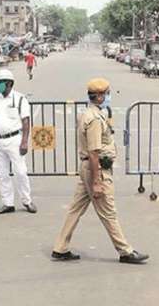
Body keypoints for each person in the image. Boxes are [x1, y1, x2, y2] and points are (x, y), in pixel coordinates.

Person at [52, 78, 148, 264]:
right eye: (107, 93)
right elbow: (94, 152)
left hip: (88, 168)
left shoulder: (88, 113)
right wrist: (97, 181)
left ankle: (60, 247)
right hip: (96, 169)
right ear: (99, 96)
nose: (108, 96)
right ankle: (125, 251)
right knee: (108, 211)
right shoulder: (94, 119)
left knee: (75, 209)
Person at [0, 69, 37, 215]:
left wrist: (25, 141)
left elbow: (26, 121)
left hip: (14, 140)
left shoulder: (20, 99)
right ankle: (8, 203)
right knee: (2, 174)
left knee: (20, 172)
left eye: (1, 82)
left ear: (9, 83)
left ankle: (27, 201)